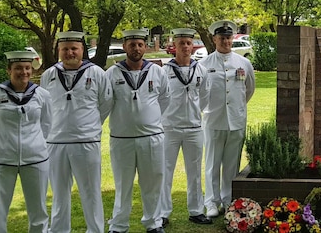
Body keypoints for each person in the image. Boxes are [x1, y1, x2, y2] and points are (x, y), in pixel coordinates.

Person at [40, 31, 112, 233]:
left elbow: (106, 103)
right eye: (65, 49)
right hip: (55, 142)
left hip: (86, 141)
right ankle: (60, 230)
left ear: (82, 50)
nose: (70, 52)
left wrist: (91, 125)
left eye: (74, 48)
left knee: (90, 191)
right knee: (59, 193)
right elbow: (44, 107)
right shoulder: (49, 75)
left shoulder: (96, 73)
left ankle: (95, 230)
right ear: (58, 51)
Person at [0, 50, 52, 233]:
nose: (24, 72)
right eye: (18, 68)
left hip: (35, 159)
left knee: (39, 213)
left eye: (27, 68)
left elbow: (47, 124)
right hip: (1, 160)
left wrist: (35, 144)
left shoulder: (42, 95)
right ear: (9, 71)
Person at [105, 29, 170, 233]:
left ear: (145, 46)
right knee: (123, 184)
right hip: (122, 138)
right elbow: (105, 102)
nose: (136, 48)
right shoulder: (112, 73)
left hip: (151, 137)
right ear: (124, 46)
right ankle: (119, 225)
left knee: (152, 183)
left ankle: (153, 223)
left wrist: (148, 118)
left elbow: (165, 99)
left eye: (140, 44)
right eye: (132, 44)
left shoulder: (157, 71)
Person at [199, 20, 256, 218]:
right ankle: (212, 202)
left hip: (236, 120)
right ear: (214, 39)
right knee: (212, 163)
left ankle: (228, 199)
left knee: (232, 163)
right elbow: (200, 93)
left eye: (229, 37)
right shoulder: (204, 64)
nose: (226, 41)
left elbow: (249, 90)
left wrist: (237, 108)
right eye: (222, 38)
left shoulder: (244, 63)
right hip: (214, 120)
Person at [159, 28, 212, 226]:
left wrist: (194, 112)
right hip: (170, 128)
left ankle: (196, 210)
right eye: (181, 43)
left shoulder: (201, 70)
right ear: (174, 46)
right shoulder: (164, 71)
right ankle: (163, 213)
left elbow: (205, 97)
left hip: (193, 128)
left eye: (189, 43)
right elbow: (160, 98)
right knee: (165, 171)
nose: (186, 47)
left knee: (195, 171)